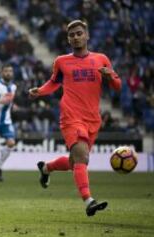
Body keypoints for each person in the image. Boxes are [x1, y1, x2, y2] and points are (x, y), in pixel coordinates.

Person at [29, 20, 122, 217]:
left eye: (79, 33)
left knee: (74, 163)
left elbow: (117, 87)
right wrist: (39, 91)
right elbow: (53, 83)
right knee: (82, 156)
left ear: (87, 35)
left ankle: (46, 168)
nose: (76, 37)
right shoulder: (61, 61)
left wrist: (110, 75)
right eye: (72, 35)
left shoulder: (101, 59)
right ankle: (89, 201)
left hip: (93, 119)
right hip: (71, 115)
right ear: (68, 39)